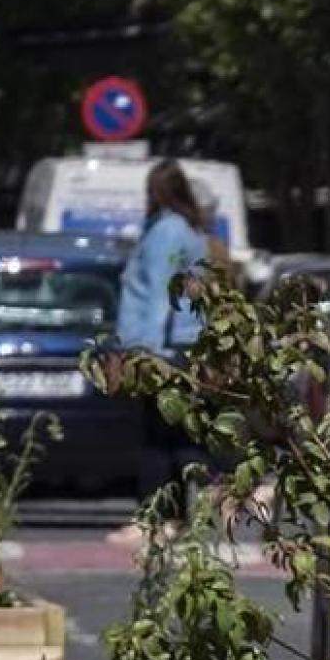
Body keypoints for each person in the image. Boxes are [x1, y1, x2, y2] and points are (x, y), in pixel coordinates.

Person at [115, 160, 213, 516]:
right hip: (185, 344)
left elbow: (160, 291)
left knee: (156, 435)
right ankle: (185, 512)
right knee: (179, 433)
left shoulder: (166, 231)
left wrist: (149, 352)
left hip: (163, 346)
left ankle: (153, 515)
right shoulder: (189, 228)